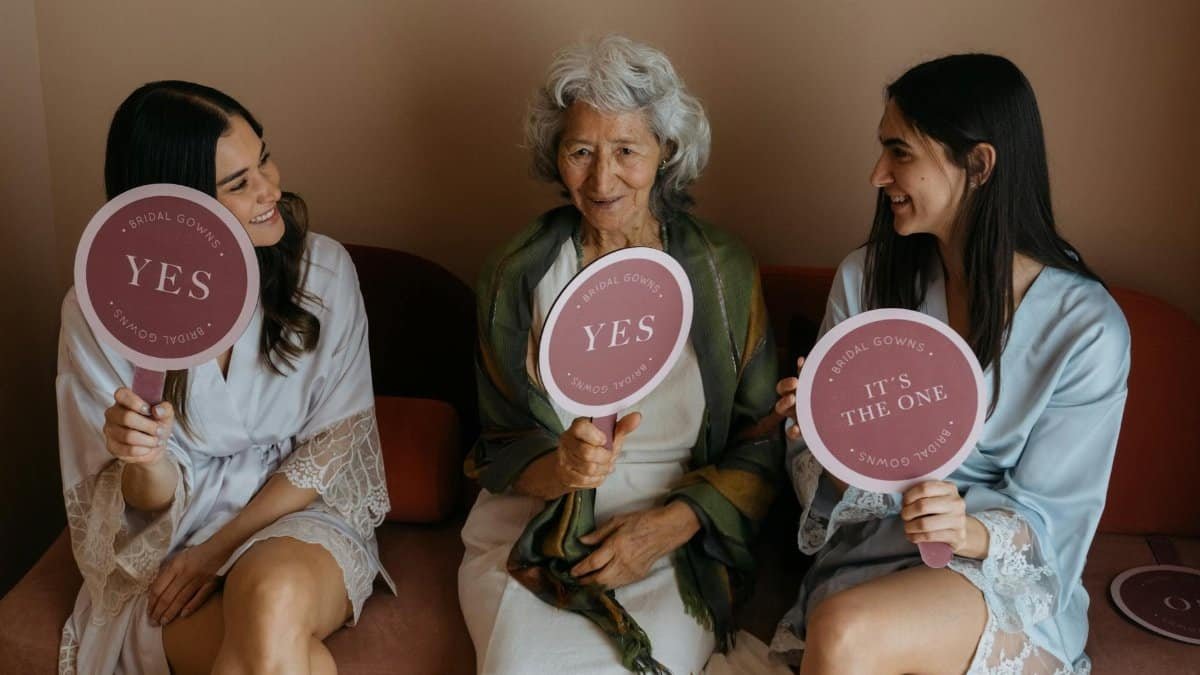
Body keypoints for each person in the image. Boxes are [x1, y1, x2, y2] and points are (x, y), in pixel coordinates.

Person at [770, 54, 1130, 674]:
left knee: (846, 631)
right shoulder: (866, 280)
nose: (876, 173)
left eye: (899, 151)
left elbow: (1059, 515)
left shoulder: (1086, 329)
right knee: (844, 622)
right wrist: (822, 442)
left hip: (992, 573)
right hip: (868, 554)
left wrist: (963, 528)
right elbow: (814, 479)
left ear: (979, 164)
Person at [458, 35, 783, 674]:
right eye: (580, 151)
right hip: (538, 526)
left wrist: (673, 524)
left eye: (627, 151)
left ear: (666, 154)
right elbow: (502, 440)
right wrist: (563, 470)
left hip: (675, 525)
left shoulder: (722, 272)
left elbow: (763, 437)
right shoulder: (517, 272)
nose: (602, 179)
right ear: (556, 158)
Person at [57, 81, 393, 674]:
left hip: (297, 514)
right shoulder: (100, 315)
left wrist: (217, 553)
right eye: (238, 185)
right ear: (177, 208)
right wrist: (144, 457)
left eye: (263, 158)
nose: (271, 189)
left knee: (271, 597)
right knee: (286, 656)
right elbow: (139, 503)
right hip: (169, 543)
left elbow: (334, 444)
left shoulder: (324, 273)